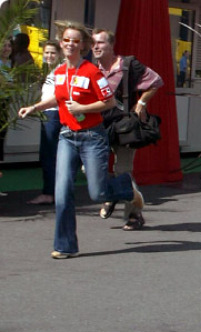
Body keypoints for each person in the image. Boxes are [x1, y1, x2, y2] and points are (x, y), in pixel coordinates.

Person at [18, 21, 142, 259]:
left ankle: (126, 187)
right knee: (62, 193)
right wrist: (34, 107)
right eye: (66, 40)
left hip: (92, 138)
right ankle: (65, 246)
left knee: (97, 194)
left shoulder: (92, 71)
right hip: (67, 137)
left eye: (76, 41)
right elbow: (57, 98)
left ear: (83, 45)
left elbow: (110, 102)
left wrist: (83, 106)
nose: (70, 44)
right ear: (62, 43)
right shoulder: (59, 72)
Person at [92, 28, 163, 231]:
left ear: (111, 45)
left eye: (101, 43)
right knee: (89, 168)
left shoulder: (128, 65)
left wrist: (141, 103)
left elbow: (156, 81)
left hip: (123, 126)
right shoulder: (90, 69)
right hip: (98, 126)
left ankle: (134, 215)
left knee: (123, 171)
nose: (96, 47)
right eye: (94, 43)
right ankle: (112, 193)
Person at [27, 40, 62, 206]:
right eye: (46, 53)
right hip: (48, 114)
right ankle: (52, 191)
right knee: (49, 154)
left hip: (53, 115)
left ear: (60, 54)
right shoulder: (50, 71)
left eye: (52, 53)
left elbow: (58, 97)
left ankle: (49, 193)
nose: (48, 56)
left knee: (49, 155)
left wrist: (35, 107)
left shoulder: (60, 71)